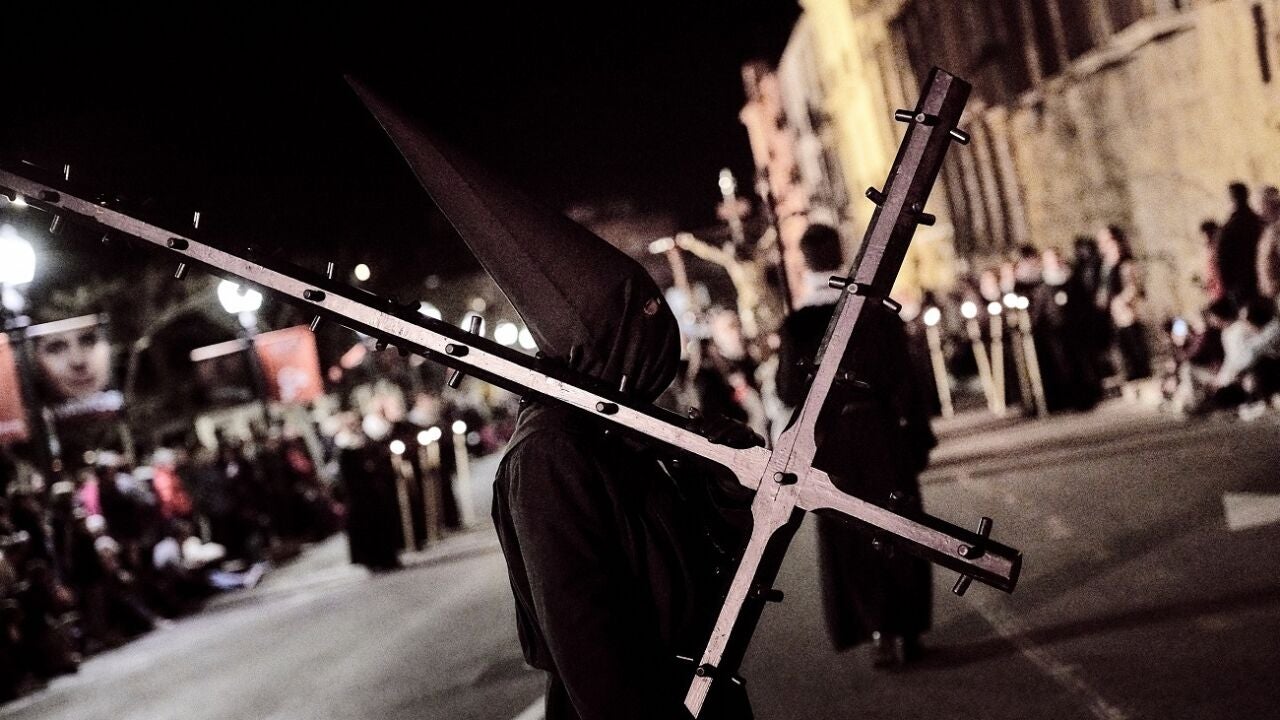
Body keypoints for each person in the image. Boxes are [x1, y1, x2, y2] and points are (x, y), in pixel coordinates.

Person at [350, 78, 753, 719]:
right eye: (637, 328)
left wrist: (724, 484)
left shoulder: (612, 429)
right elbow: (590, 647)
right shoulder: (550, 456)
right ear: (607, 342)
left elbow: (689, 558)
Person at [776, 224, 934, 669]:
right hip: (881, 434)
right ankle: (907, 629)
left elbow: (788, 390)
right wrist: (916, 437)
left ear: (804, 262)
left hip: (834, 443)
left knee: (852, 536)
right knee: (898, 523)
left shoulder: (799, 324)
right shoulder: (875, 314)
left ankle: (878, 627)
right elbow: (907, 379)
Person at [1097, 225, 1151, 382]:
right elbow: (1105, 287)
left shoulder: (1126, 263)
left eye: (1108, 241)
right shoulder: (1106, 266)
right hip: (1115, 314)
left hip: (1128, 311)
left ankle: (1142, 374)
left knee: (1135, 345)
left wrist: (1121, 301)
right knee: (1124, 347)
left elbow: (1133, 286)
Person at [1216, 182, 1264, 305]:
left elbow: (1222, 262)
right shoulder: (1260, 222)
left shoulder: (1228, 228)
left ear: (1230, 199)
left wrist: (1229, 291)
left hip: (1242, 288)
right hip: (1264, 283)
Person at [1255, 186, 1280, 301]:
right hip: (1273, 295)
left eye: (1260, 205)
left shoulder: (1276, 229)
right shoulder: (1269, 229)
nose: (1258, 212)